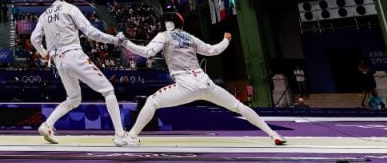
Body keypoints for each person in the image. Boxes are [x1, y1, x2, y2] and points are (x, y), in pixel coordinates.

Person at [120, 12, 286, 146]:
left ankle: (132, 136)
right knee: (238, 106)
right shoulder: (190, 37)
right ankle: (274, 134)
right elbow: (213, 50)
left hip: (186, 84)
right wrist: (226, 40)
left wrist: (126, 43)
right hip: (205, 83)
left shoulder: (164, 36)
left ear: (168, 24)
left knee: (152, 101)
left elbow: (147, 52)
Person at [29, 0, 134, 146]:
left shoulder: (44, 15)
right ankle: (120, 134)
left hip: (58, 61)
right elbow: (91, 32)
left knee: (73, 99)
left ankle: (47, 125)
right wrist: (115, 40)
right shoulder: (70, 8)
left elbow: (34, 39)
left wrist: (45, 53)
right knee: (108, 90)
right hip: (73, 55)